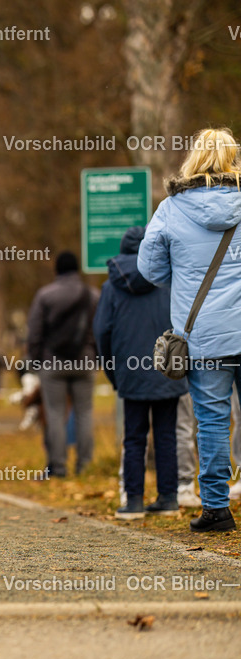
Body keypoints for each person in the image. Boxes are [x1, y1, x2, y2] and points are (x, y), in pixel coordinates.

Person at [138, 127, 241, 533]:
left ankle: (216, 509)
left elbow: (150, 270)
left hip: (204, 337)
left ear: (194, 158)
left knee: (212, 421)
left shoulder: (171, 209)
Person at [94, 226, 187, 519]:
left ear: (122, 250)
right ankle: (169, 498)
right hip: (167, 369)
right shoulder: (170, 280)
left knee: (134, 436)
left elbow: (102, 332)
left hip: (130, 371)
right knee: (166, 435)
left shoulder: (111, 287)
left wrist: (113, 374)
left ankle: (133, 501)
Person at [26, 251, 99, 478]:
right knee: (84, 413)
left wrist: (34, 361)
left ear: (57, 269)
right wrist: (97, 356)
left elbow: (34, 332)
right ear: (77, 269)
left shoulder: (45, 296)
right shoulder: (93, 295)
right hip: (85, 362)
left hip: (53, 363)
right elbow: (101, 329)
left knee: (55, 414)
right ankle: (84, 466)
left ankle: (58, 467)